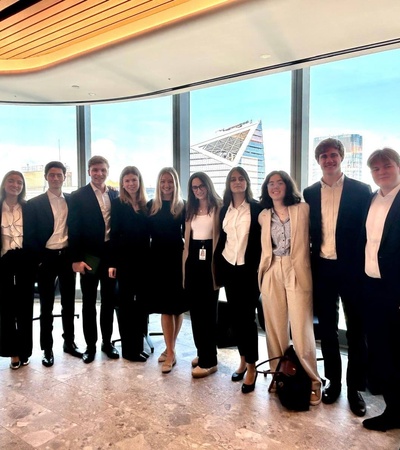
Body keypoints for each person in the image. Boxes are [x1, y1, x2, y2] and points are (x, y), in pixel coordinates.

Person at [303, 138, 371, 416]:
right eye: (324, 156)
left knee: (356, 331)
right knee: (328, 330)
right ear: (318, 160)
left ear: (341, 157)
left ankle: (355, 388)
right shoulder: (309, 193)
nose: (329, 160)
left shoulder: (361, 190)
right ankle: (334, 383)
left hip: (352, 270)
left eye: (333, 155)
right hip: (322, 269)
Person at [258, 170, 321, 405]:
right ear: (266, 189)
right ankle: (280, 375)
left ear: (287, 186)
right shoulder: (263, 215)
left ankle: (314, 381)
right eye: (270, 184)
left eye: (279, 182)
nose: (275, 187)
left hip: (298, 270)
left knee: (302, 328)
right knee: (274, 328)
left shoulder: (302, 209)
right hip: (272, 269)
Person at [361, 148, 400, 431]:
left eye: (386, 166)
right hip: (372, 285)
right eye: (375, 168)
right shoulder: (372, 200)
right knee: (382, 350)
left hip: (396, 289)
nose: (381, 171)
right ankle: (393, 410)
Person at [29, 161, 82, 367]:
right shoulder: (35, 203)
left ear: (64, 177)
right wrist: (39, 260)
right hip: (47, 258)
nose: (56, 178)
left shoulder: (72, 200)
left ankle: (69, 342)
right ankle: (47, 348)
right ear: (46, 177)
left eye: (59, 175)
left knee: (68, 303)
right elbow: (31, 235)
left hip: (67, 256)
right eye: (52, 175)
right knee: (46, 306)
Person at [214, 166, 262, 393]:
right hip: (229, 269)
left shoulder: (257, 208)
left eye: (241, 178)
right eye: (233, 179)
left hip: (248, 272)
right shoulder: (225, 210)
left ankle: (252, 366)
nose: (237, 182)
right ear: (228, 184)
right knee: (235, 317)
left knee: (247, 320)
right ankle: (242, 360)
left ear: (247, 182)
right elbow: (223, 240)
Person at [68, 155, 119, 364]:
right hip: (89, 257)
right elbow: (73, 229)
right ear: (89, 171)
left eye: (103, 170)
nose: (99, 173)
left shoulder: (115, 194)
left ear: (108, 171)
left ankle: (107, 343)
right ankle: (90, 346)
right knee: (88, 303)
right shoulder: (78, 196)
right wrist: (76, 259)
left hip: (109, 255)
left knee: (108, 301)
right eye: (95, 170)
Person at [109, 166, 150, 362]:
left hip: (143, 261)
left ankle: (139, 346)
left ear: (139, 182)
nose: (131, 184)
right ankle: (128, 350)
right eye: (127, 181)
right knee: (126, 306)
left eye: (134, 180)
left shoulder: (145, 204)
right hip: (124, 262)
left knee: (141, 305)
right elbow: (114, 234)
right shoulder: (117, 204)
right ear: (122, 184)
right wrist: (113, 263)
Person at [183, 172, 222, 378]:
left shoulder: (219, 207)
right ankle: (203, 353)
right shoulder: (190, 209)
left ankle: (210, 361)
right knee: (196, 313)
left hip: (210, 265)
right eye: (194, 187)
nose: (198, 190)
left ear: (208, 185)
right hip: (192, 265)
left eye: (201, 186)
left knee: (208, 314)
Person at [148, 167, 186, 374]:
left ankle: (170, 349)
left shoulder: (182, 206)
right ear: (158, 183)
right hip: (158, 259)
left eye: (170, 181)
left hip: (177, 259)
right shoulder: (151, 206)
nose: (166, 185)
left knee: (177, 307)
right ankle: (170, 351)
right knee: (165, 307)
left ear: (175, 183)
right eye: (163, 181)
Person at [0, 171, 35, 369]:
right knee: (6, 308)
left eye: (19, 182)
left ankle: (24, 350)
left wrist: (35, 260)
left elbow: (37, 233)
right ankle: (11, 352)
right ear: (4, 183)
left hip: (24, 259)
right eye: (11, 181)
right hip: (3, 260)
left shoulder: (28, 208)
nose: (15, 185)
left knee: (25, 307)